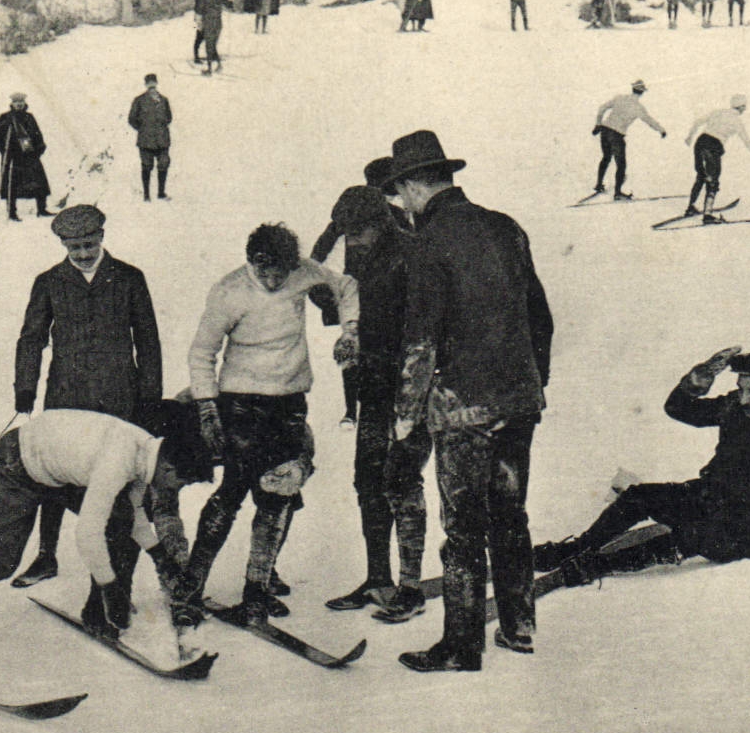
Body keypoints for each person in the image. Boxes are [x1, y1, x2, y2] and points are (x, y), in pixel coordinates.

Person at [383, 130, 552, 671]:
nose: (402, 203)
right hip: (519, 399)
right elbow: (540, 316)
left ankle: (461, 646)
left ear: (413, 186)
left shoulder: (428, 243)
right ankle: (520, 626)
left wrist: (406, 416)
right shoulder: (506, 227)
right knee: (511, 513)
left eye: (401, 192)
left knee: (462, 528)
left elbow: (420, 340)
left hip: (462, 405)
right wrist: (532, 381)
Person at [0, 402, 216, 678]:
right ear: (168, 466)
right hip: (16, 464)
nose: (178, 490)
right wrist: (111, 589)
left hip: (53, 469)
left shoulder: (146, 451)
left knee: (119, 515)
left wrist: (160, 557)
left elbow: (132, 512)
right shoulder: (120, 460)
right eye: (181, 482)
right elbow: (88, 534)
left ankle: (96, 613)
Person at [178, 224, 360, 625]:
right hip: (241, 406)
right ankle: (189, 590)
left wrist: (350, 331)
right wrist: (208, 407)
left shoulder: (303, 272)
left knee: (279, 493)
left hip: (290, 405)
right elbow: (202, 352)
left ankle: (256, 591)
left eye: (281, 272)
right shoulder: (230, 291)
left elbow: (345, 286)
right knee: (233, 492)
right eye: (265, 271)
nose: (274, 280)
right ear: (252, 262)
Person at [534, 348, 750, 586]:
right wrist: (703, 375)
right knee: (638, 495)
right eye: (741, 389)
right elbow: (679, 409)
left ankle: (596, 566)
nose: (744, 398)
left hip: (742, 529)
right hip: (706, 498)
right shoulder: (735, 407)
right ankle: (577, 548)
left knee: (689, 536)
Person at [8, 204, 164, 589]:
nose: (82, 253)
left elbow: (148, 341)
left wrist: (150, 397)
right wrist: (24, 386)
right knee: (52, 475)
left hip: (118, 396)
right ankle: (46, 555)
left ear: (102, 238)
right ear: (63, 244)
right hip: (67, 393)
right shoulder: (49, 282)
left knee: (118, 475)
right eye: (74, 247)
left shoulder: (129, 278)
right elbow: (31, 338)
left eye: (88, 244)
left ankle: (112, 554)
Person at [319, 185, 435, 621]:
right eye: (347, 233)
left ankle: (410, 586)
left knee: (402, 480)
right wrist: (351, 337)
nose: (351, 240)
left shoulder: (412, 253)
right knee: (367, 478)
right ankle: (377, 577)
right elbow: (343, 302)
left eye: (357, 232)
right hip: (373, 384)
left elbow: (424, 327)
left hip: (408, 386)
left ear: (379, 224)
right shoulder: (362, 255)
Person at [308, 158, 407, 428]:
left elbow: (317, 259)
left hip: (359, 300)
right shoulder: (398, 216)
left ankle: (352, 410)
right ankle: (371, 411)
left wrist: (328, 300)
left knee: (354, 350)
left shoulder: (349, 214)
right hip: (379, 303)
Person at [684, 95, 750, 221]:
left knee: (701, 176)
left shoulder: (718, 112)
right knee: (713, 179)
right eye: (744, 107)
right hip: (714, 145)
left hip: (700, 141)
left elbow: (698, 122)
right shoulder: (737, 121)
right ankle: (707, 215)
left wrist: (689, 137)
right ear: (741, 107)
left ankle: (690, 208)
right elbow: (748, 142)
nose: (745, 109)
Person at [592, 80, 667, 200]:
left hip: (605, 130)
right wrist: (661, 130)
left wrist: (598, 124)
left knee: (606, 157)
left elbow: (602, 108)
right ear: (642, 92)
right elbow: (649, 121)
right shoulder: (638, 107)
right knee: (621, 165)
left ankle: (599, 184)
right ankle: (617, 193)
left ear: (632, 89)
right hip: (617, 135)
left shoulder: (619, 98)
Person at [0, 93, 52, 221]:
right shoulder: (5, 118)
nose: (19, 104)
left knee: (39, 181)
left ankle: (41, 209)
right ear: (12, 104)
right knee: (12, 183)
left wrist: (39, 149)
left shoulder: (30, 118)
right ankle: (12, 212)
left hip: (29, 155)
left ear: (24, 103)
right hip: (13, 156)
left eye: (21, 101)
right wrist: (6, 152)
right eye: (16, 102)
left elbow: (37, 135)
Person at [128, 74, 172, 202]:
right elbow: (132, 119)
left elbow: (169, 118)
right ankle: (146, 194)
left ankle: (161, 193)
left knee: (163, 164)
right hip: (146, 141)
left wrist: (160, 128)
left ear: (156, 84)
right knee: (147, 166)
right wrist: (143, 129)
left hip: (162, 140)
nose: (152, 86)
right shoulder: (139, 101)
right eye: (149, 84)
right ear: (146, 85)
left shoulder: (164, 100)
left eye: (153, 83)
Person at [194, 0, 234, 68]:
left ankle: (209, 68)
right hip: (218, 23)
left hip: (207, 22)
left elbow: (199, 9)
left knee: (209, 44)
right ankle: (218, 64)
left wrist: (198, 21)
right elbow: (230, 6)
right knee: (213, 43)